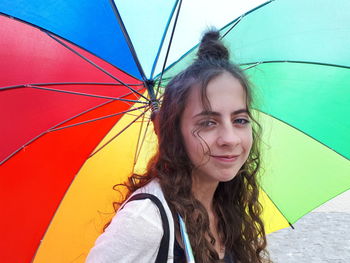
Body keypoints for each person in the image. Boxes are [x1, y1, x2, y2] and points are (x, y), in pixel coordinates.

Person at [86, 30, 271, 263]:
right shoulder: (145, 221)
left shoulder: (225, 205)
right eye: (208, 123)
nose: (230, 139)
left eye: (240, 120)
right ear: (175, 132)